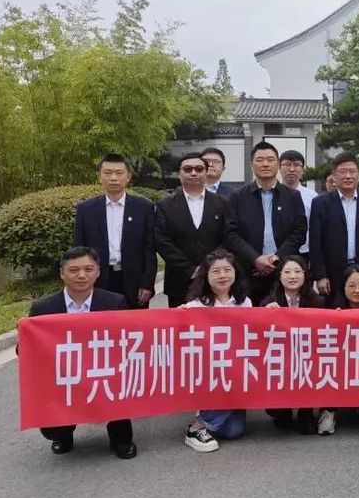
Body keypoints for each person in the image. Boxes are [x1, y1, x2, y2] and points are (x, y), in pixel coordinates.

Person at [27, 246, 137, 459]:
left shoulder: (115, 302)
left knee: (119, 383)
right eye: (74, 270)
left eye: (88, 269)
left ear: (98, 272)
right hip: (64, 376)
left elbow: (127, 343)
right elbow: (27, 353)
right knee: (52, 428)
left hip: (105, 371)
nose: (81, 275)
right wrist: (25, 338)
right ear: (62, 273)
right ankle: (63, 434)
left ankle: (121, 437)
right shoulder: (43, 308)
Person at [182, 249, 253, 453]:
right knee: (230, 427)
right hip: (210, 374)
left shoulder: (245, 302)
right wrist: (178, 318)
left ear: (235, 273)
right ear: (206, 276)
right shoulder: (194, 306)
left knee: (234, 431)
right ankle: (197, 427)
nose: (222, 275)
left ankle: (209, 419)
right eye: (216, 271)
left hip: (237, 371)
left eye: (227, 270)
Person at [224, 141, 307, 304]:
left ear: (278, 164)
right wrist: (255, 258)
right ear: (251, 165)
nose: (265, 164)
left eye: (270, 160)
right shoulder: (238, 197)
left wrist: (276, 259)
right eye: (260, 160)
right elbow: (231, 233)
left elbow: (299, 232)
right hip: (248, 271)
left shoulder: (293, 196)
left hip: (283, 270)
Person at [73, 153, 156, 309]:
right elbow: (79, 248)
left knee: (133, 321)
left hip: (133, 280)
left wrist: (147, 283)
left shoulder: (143, 207)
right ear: (99, 177)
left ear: (128, 177)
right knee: (101, 322)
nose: (113, 178)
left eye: (119, 173)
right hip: (98, 279)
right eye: (107, 173)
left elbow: (149, 248)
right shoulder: (86, 209)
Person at [261, 255, 327, 435]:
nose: (292, 276)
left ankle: (306, 413)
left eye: (298, 271)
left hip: (308, 355)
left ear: (305, 275)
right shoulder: (269, 302)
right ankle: (283, 411)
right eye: (287, 272)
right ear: (280, 275)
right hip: (280, 357)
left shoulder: (317, 302)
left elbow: (325, 330)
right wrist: (266, 315)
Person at [154, 152, 229, 307]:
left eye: (199, 169)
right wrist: (189, 269)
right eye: (187, 169)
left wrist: (209, 265)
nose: (193, 173)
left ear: (206, 172)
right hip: (179, 280)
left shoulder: (222, 204)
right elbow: (161, 240)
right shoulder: (165, 206)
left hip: (216, 278)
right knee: (181, 321)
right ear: (179, 174)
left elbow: (228, 236)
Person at [310, 152, 359, 302]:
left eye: (352, 172)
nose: (348, 176)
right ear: (334, 175)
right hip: (333, 271)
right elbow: (315, 242)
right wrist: (320, 275)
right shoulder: (320, 203)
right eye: (343, 172)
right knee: (336, 310)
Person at [279, 150, 317, 261]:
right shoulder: (273, 194)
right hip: (278, 252)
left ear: (303, 170)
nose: (291, 169)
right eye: (287, 165)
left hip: (305, 252)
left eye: (296, 165)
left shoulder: (312, 197)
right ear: (279, 168)